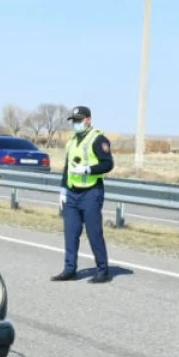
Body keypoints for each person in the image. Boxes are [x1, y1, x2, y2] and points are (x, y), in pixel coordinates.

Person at [51, 105, 114, 284]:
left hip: (91, 192)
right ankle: (69, 269)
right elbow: (67, 168)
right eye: (74, 121)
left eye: (79, 120)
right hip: (72, 193)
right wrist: (63, 190)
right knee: (70, 233)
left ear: (88, 120)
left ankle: (103, 271)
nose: (76, 124)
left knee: (94, 233)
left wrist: (88, 169)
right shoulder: (72, 142)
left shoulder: (98, 139)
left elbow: (108, 164)